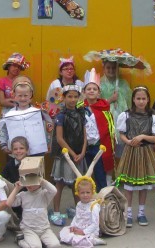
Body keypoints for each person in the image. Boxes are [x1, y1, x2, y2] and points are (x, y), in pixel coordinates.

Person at [115, 86, 155, 228]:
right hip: (130, 152)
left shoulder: (152, 116)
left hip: (145, 153)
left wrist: (142, 136)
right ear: (133, 99)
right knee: (129, 185)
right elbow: (121, 134)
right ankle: (128, 213)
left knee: (143, 185)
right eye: (138, 98)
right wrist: (128, 141)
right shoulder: (126, 115)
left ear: (148, 99)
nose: (141, 101)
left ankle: (141, 213)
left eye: (144, 98)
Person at [50, 85, 88, 226]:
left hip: (79, 155)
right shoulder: (61, 116)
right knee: (59, 184)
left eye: (75, 96)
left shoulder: (81, 114)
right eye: (69, 96)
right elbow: (60, 139)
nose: (72, 100)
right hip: (65, 156)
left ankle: (79, 211)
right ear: (64, 97)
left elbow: (85, 136)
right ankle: (56, 212)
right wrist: (72, 153)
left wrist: (83, 152)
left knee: (76, 184)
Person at [7, 178, 60, 248]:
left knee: (55, 245)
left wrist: (43, 182)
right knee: (36, 247)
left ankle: (38, 241)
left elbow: (54, 190)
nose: (29, 184)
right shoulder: (23, 195)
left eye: (32, 181)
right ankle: (20, 241)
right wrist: (16, 189)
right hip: (29, 229)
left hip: (45, 229)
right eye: (27, 181)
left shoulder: (44, 194)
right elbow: (9, 203)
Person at [82, 69, 112, 190]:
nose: (91, 91)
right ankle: (86, 198)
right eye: (88, 89)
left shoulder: (104, 108)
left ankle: (103, 197)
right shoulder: (79, 108)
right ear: (84, 92)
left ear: (99, 93)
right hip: (84, 147)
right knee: (85, 174)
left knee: (100, 173)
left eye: (94, 89)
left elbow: (109, 128)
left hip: (98, 146)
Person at [58, 179, 106, 247]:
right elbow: (76, 217)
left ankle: (93, 240)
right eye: (82, 193)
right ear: (78, 193)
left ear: (92, 192)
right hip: (79, 227)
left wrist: (83, 232)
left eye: (88, 192)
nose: (85, 195)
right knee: (65, 233)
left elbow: (95, 224)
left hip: (90, 230)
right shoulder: (79, 204)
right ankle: (80, 238)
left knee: (82, 241)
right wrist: (73, 226)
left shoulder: (94, 206)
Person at [99, 60, 132, 124]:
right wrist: (111, 100)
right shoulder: (99, 84)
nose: (111, 70)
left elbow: (129, 103)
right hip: (106, 118)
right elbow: (96, 105)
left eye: (114, 68)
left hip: (122, 116)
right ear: (104, 69)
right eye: (108, 68)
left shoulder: (123, 83)